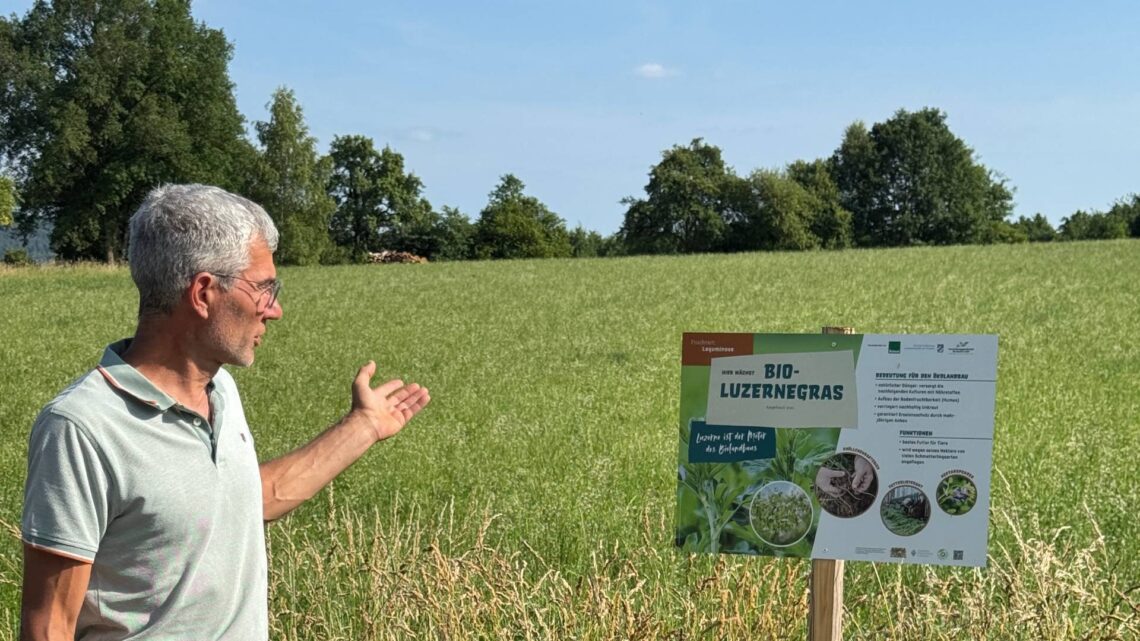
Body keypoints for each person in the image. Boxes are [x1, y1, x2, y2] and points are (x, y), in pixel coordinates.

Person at [20, 184, 431, 640]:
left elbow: (247, 500)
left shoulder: (220, 391)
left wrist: (364, 426)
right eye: (264, 288)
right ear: (203, 293)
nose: (274, 310)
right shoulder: (82, 429)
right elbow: (48, 626)